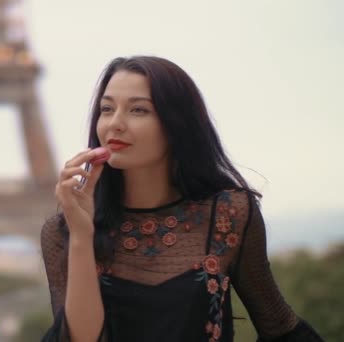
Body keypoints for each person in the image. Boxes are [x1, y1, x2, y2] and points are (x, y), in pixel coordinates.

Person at [40, 56, 324, 342]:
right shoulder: (62, 232)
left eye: (138, 110)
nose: (115, 124)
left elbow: (280, 327)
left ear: (176, 123)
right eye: (107, 109)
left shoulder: (228, 215)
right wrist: (81, 235)